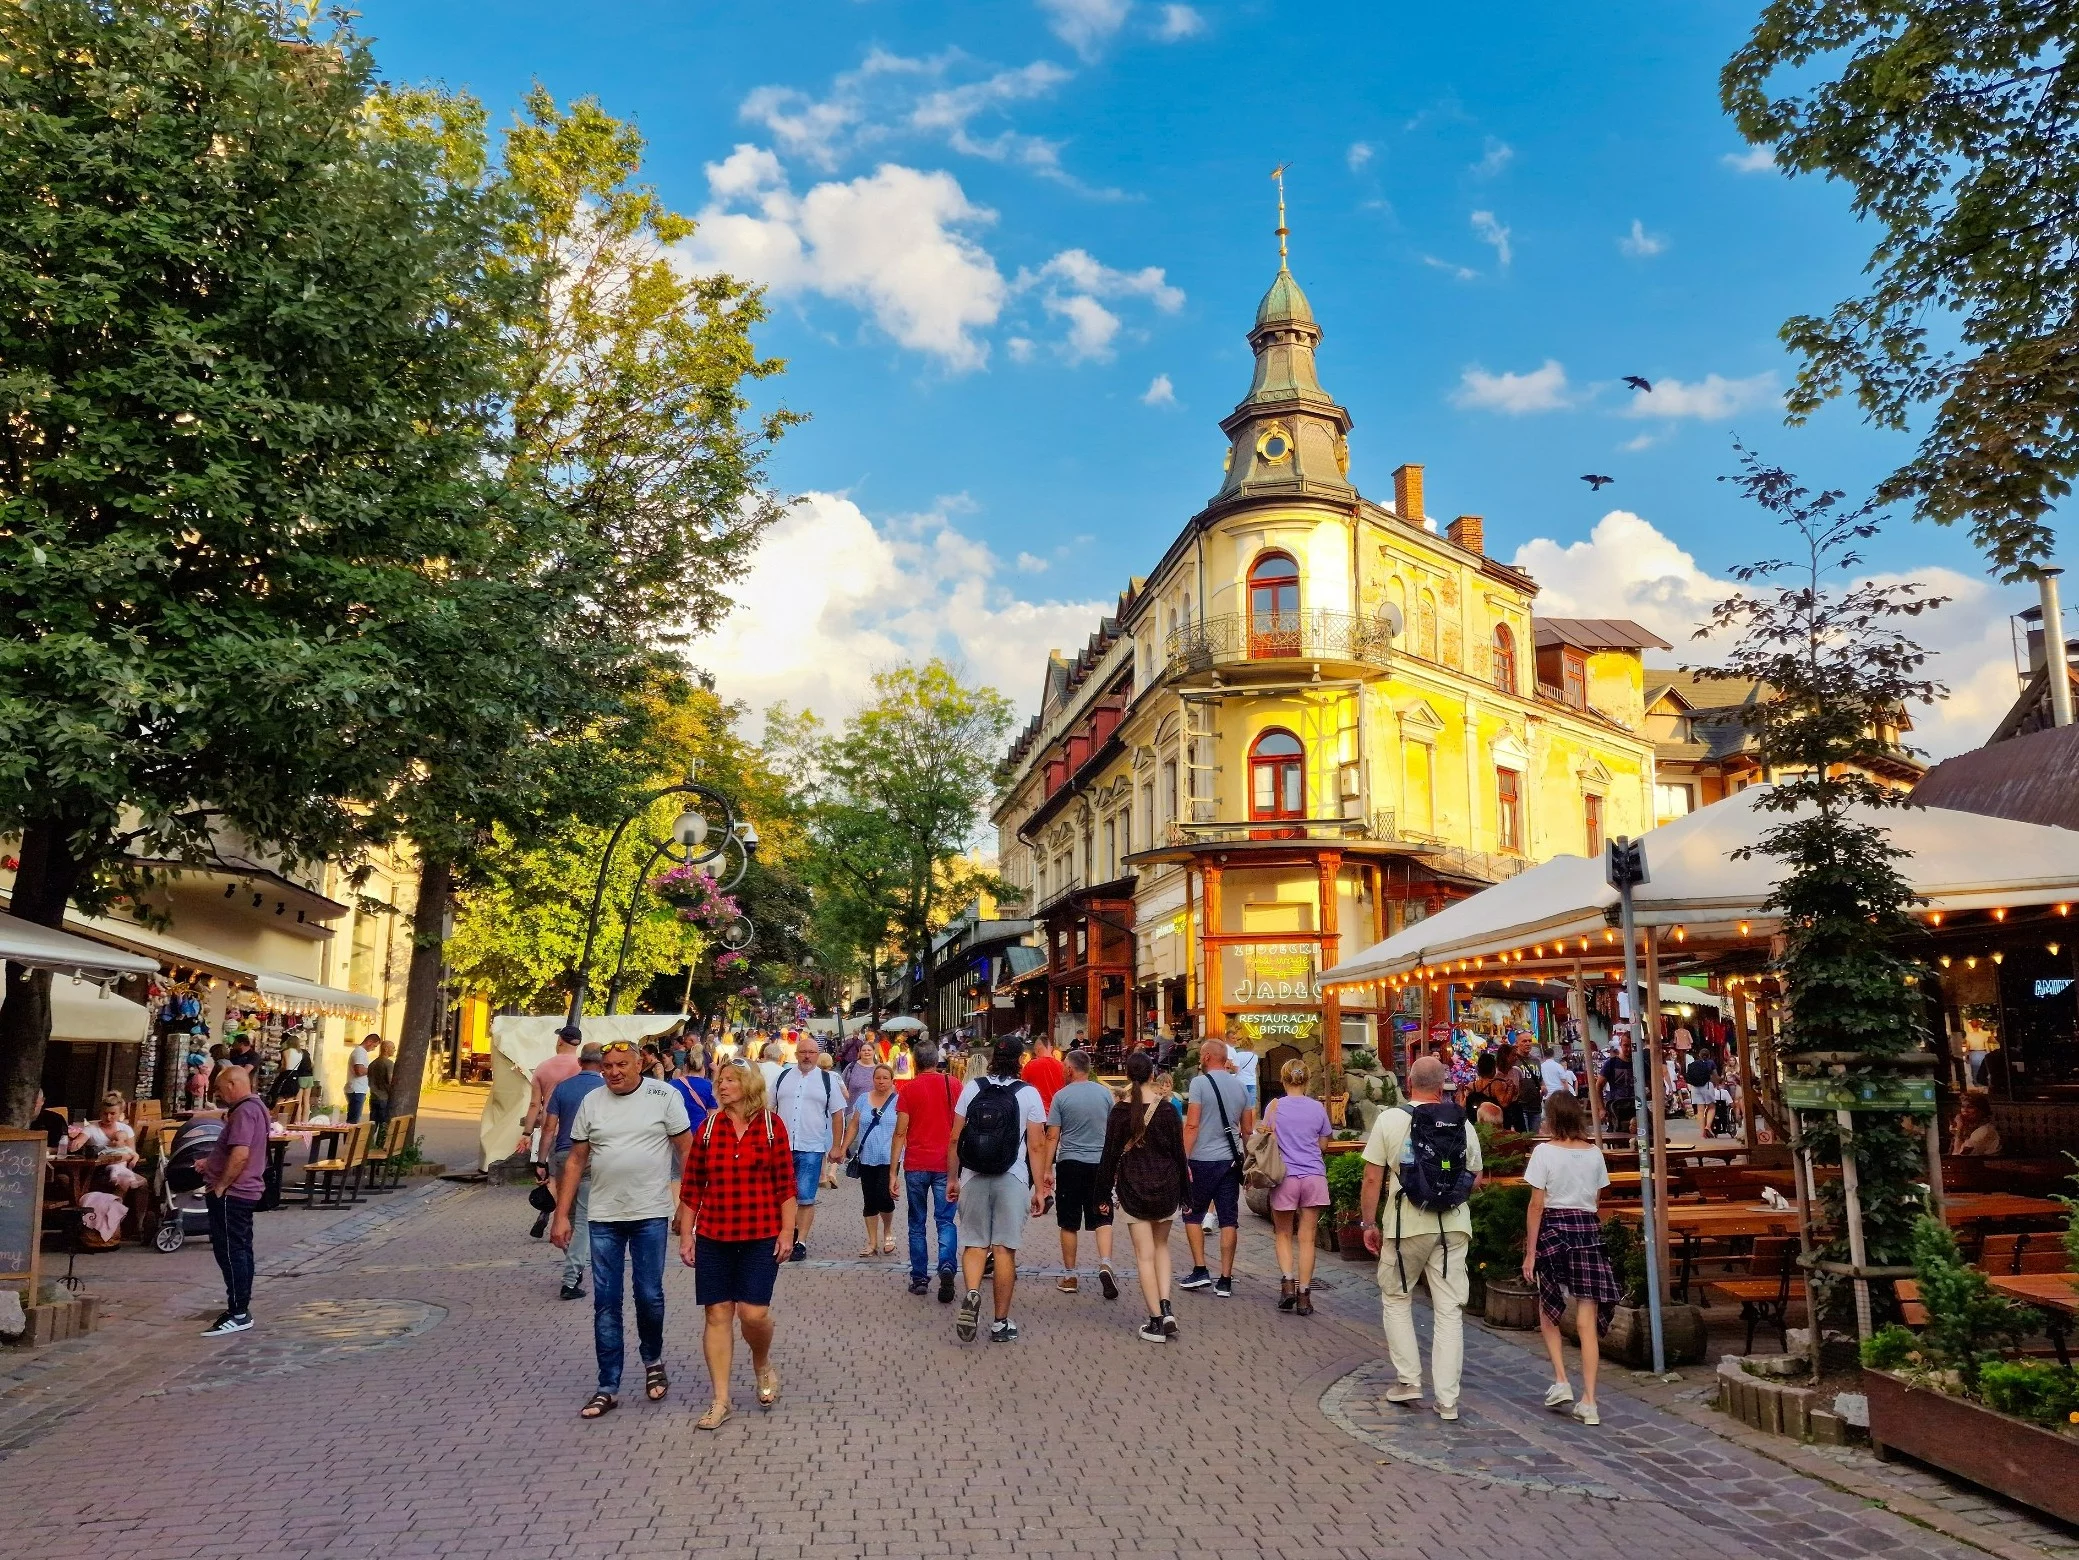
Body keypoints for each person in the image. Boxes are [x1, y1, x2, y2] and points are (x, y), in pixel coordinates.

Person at [552, 1040, 692, 1420]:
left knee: (649, 1294)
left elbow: (687, 1150)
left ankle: (652, 1360)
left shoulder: (663, 1095)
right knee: (605, 1303)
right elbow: (577, 1160)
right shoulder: (592, 1102)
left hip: (650, 1213)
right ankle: (607, 1385)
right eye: (607, 1066)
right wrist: (562, 1214)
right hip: (602, 1215)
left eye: (621, 1065)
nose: (613, 1072)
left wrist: (686, 1206)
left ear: (639, 1064)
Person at [1360, 1055, 1484, 1421]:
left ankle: (1409, 1380)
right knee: (1449, 1312)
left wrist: (1368, 1223)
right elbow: (1475, 1176)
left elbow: (1371, 1178)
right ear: (1442, 1084)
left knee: (1397, 1298)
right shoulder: (1461, 1122)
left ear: (1408, 1081)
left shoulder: (1391, 1119)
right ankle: (1447, 1401)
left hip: (1406, 1224)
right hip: (1454, 1225)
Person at [677, 1058, 797, 1431]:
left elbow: (786, 1186)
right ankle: (721, 1399)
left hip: (761, 1233)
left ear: (749, 1085)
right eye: (721, 1079)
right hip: (715, 1234)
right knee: (717, 1315)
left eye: (731, 1080)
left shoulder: (772, 1127)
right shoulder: (709, 1128)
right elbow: (692, 1185)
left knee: (753, 1314)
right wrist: (686, 1234)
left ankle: (761, 1363)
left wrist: (787, 1231)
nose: (723, 1085)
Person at [1522, 1091, 1620, 1426]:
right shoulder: (1594, 1154)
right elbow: (1595, 1198)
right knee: (1586, 1321)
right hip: (1587, 1232)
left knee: (1548, 1310)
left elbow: (1536, 1205)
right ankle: (1589, 1401)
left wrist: (1530, 1252)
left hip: (1554, 1230)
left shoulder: (1543, 1152)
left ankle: (1561, 1379)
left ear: (1551, 1118)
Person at [947, 1037, 1050, 1343]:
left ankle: (974, 1291)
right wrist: (1040, 1189)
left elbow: (954, 1138)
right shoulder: (1029, 1094)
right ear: (1021, 1060)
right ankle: (1000, 1323)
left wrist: (953, 1177)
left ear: (993, 1057)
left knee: (975, 1245)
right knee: (1004, 1249)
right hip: (1012, 1177)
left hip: (973, 1176)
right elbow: (1037, 1144)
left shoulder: (972, 1088)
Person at [1095, 1051, 1188, 1343]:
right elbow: (1179, 1154)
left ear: (1128, 1075)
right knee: (1162, 1248)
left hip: (1134, 1187)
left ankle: (1156, 1321)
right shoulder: (1169, 1109)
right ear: (1152, 1074)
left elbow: (1109, 1157)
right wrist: (1186, 1192)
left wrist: (1101, 1194)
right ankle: (1166, 1306)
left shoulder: (1120, 1111)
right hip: (1167, 1186)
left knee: (1143, 1256)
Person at [199, 1061, 271, 1335]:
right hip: (243, 1190)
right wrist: (212, 1163)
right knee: (240, 1249)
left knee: (231, 1251)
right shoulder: (256, 1108)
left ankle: (239, 1311)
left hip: (234, 1193)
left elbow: (240, 1154)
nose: (219, 1095)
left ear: (233, 1084)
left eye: (220, 1089)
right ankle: (239, 1307)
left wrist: (221, 1186)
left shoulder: (243, 1112)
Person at [1179, 1038, 1254, 1299]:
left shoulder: (1199, 1083)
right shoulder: (1241, 1088)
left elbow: (1192, 1125)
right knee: (1228, 1219)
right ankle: (1225, 1278)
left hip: (1201, 1159)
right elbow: (1247, 1130)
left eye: (1202, 1055)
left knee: (1192, 1214)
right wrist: (1248, 1161)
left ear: (1209, 1057)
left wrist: (1183, 1158)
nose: (1201, 1058)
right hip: (1230, 1162)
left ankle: (1200, 1269)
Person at [1045, 1049, 1119, 1299]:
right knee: (1103, 1215)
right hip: (1100, 1163)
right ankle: (1106, 1262)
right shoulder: (1104, 1094)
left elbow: (1052, 1135)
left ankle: (1070, 1275)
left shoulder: (1061, 1097)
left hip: (1070, 1164)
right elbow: (1113, 1130)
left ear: (1070, 1069)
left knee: (1068, 1222)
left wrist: (1046, 1169)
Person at [1264, 1058, 1332, 1316]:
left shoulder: (1274, 1107)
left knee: (1282, 1233)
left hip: (1286, 1177)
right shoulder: (1318, 1108)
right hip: (1314, 1176)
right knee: (1308, 1238)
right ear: (1307, 1080)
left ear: (1283, 1079)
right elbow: (1323, 1145)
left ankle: (1287, 1285)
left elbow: (1265, 1139)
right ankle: (1305, 1295)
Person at [893, 1041, 960, 1300]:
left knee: (916, 1222)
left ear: (914, 1062)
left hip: (916, 1163)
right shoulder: (953, 1084)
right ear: (936, 1060)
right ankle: (946, 1264)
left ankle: (920, 1277)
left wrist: (892, 1171)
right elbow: (960, 1124)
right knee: (945, 1220)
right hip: (946, 1162)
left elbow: (900, 1132)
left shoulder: (908, 1089)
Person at [773, 1034, 847, 1261]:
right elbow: (768, 1109)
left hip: (811, 1146)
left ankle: (800, 1241)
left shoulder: (827, 1080)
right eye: (803, 1052)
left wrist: (837, 1146)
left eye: (811, 1052)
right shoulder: (783, 1077)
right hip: (781, 1147)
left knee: (805, 1197)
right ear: (795, 1055)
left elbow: (837, 1115)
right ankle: (782, 1235)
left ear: (818, 1055)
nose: (807, 1056)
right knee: (779, 1196)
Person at [543, 1042, 608, 1301]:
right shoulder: (604, 1090)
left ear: (580, 1062)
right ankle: (571, 1278)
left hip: (562, 1155)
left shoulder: (563, 1088)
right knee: (582, 1220)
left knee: (565, 1215)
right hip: (591, 1157)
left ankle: (573, 1260)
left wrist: (540, 1161)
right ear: (602, 1065)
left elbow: (549, 1128)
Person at [851, 1063, 901, 1257]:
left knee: (884, 1196)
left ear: (892, 1080)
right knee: (869, 1199)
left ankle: (888, 1231)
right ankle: (872, 1241)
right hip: (866, 1156)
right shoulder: (863, 1099)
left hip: (890, 1157)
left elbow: (904, 1130)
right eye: (877, 1077)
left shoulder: (899, 1101)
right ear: (873, 1079)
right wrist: (843, 1146)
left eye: (885, 1078)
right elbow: (854, 1125)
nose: (881, 1081)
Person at [1599, 1031, 1637, 1140]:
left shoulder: (1640, 1063)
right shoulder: (1611, 1064)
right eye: (1626, 1045)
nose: (1629, 1049)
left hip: (1636, 1106)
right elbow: (1598, 1086)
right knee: (1619, 1138)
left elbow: (1652, 1084)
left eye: (1631, 1046)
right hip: (1616, 1108)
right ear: (1621, 1045)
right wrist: (1601, 1108)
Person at [1021, 1034, 1066, 1112]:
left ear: (1036, 1050)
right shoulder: (1062, 1066)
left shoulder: (1030, 1066)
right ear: (1051, 1048)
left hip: (1037, 1113)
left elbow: (1023, 1088)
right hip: (1058, 1112)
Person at [344, 1031, 377, 1124]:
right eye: (374, 1046)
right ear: (369, 1042)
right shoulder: (360, 1052)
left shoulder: (361, 1052)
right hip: (356, 1089)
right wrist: (373, 1070)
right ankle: (350, 1138)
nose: (373, 1049)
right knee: (353, 1119)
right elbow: (359, 1071)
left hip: (358, 1088)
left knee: (354, 1117)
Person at [367, 1038, 395, 1130]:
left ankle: (369, 1143)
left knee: (373, 1125)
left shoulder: (372, 1064)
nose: (394, 1050)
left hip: (374, 1097)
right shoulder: (389, 1064)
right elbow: (390, 1080)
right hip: (384, 1098)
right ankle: (380, 1144)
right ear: (386, 1049)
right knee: (384, 1126)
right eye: (393, 1048)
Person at [1228, 1033, 1261, 1111]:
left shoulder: (1239, 1055)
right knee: (1251, 1107)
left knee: (1239, 1106)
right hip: (1251, 1082)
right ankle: (1251, 1123)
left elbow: (1236, 1070)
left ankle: (1240, 1123)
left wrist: (1230, 1065)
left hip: (1240, 1082)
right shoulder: (1255, 1057)